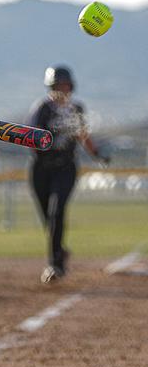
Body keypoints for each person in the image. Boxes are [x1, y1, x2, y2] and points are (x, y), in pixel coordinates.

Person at [29, 65, 108, 284]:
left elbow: (84, 135)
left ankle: (55, 264)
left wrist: (97, 154)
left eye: (66, 85)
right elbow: (31, 137)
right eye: (58, 85)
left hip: (65, 168)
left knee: (57, 212)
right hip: (41, 168)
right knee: (48, 218)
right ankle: (60, 250)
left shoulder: (76, 109)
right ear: (51, 87)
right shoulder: (42, 108)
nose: (62, 89)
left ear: (71, 86)